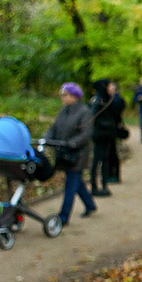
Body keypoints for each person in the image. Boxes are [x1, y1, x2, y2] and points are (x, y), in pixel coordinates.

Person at [44, 82, 97, 225]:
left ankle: (63, 216)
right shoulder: (64, 111)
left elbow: (86, 134)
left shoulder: (84, 112)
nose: (63, 98)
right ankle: (90, 205)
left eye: (65, 95)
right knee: (76, 182)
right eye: (62, 95)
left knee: (70, 184)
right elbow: (53, 128)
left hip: (77, 155)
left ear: (75, 96)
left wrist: (73, 142)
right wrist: (47, 138)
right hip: (64, 153)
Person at [89, 79, 117, 197]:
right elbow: (93, 117)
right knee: (97, 160)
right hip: (100, 136)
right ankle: (94, 186)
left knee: (105, 160)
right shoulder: (98, 101)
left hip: (107, 136)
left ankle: (104, 184)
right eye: (109, 85)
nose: (111, 87)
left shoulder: (108, 100)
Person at [107, 81, 126, 183]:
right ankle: (112, 174)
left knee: (113, 152)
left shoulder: (117, 99)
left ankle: (115, 175)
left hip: (113, 129)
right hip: (111, 129)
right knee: (111, 152)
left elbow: (117, 111)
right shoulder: (110, 99)